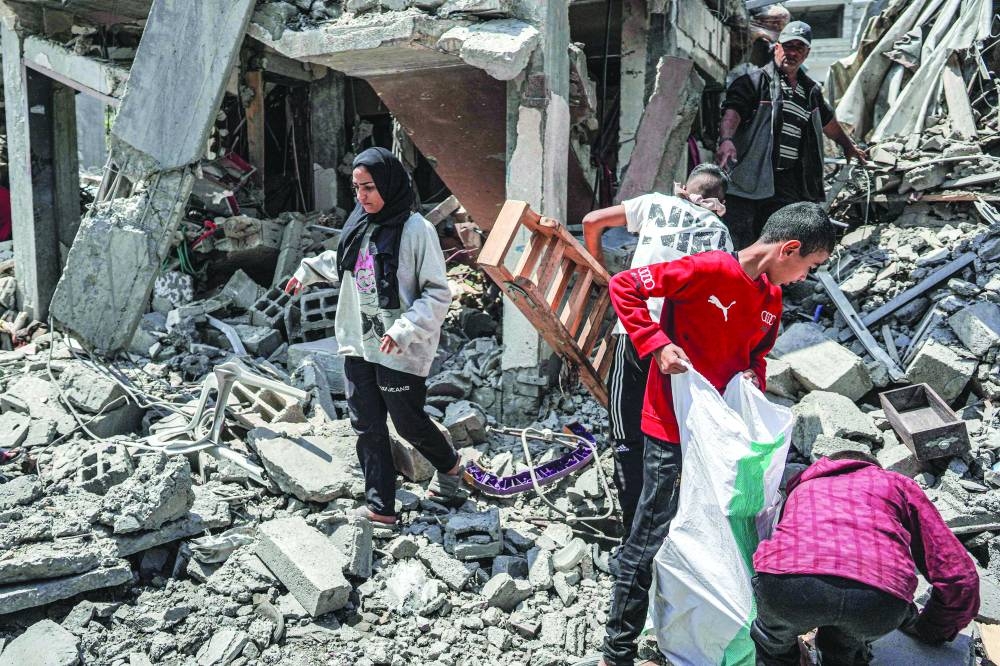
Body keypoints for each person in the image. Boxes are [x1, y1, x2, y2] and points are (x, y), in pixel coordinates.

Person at [598, 202, 838, 666]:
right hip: (671, 428)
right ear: (789, 248)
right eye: (809, 265)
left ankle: (689, 628)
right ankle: (617, 650)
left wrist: (752, 377)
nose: (805, 277)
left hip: (720, 439)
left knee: (715, 532)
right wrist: (657, 344)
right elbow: (624, 285)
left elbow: (756, 357)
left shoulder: (770, 301)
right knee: (649, 534)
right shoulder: (707, 269)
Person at [285, 147, 463, 526]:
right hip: (359, 341)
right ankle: (381, 507)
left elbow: (437, 293)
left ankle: (449, 467)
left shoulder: (417, 230)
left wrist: (404, 329)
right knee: (366, 424)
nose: (362, 196)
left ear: (388, 183)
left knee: (408, 422)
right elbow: (347, 263)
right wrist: (307, 271)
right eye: (357, 188)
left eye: (369, 187)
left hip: (398, 348)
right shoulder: (360, 222)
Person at [582, 163, 732, 542]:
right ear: (719, 202)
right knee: (665, 440)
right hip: (678, 350)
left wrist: (599, 270)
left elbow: (591, 221)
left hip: (636, 332)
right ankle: (663, 530)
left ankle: (631, 532)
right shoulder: (721, 234)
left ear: (686, 187)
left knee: (625, 435)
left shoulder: (655, 204)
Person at [751, 450, 980, 665]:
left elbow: (780, 547)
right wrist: (932, 628)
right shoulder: (895, 483)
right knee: (846, 647)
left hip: (790, 586)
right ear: (874, 468)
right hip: (876, 599)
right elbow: (957, 573)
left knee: (773, 645)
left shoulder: (802, 487)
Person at [715, 21, 866, 249]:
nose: (792, 53)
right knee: (739, 240)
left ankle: (772, 274)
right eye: (788, 46)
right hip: (750, 178)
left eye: (799, 47)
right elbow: (733, 111)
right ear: (777, 48)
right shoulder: (754, 82)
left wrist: (848, 146)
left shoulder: (810, 92)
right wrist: (726, 140)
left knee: (778, 240)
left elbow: (828, 122)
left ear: (807, 53)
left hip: (786, 182)